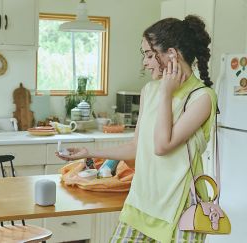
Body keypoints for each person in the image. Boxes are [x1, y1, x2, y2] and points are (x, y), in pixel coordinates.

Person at [56, 15, 217, 243]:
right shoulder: (149, 91)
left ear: (171, 54)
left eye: (150, 55)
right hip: (141, 202)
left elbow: (162, 146)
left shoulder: (202, 98)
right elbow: (136, 147)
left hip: (180, 210)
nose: (145, 62)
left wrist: (165, 93)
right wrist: (90, 152)